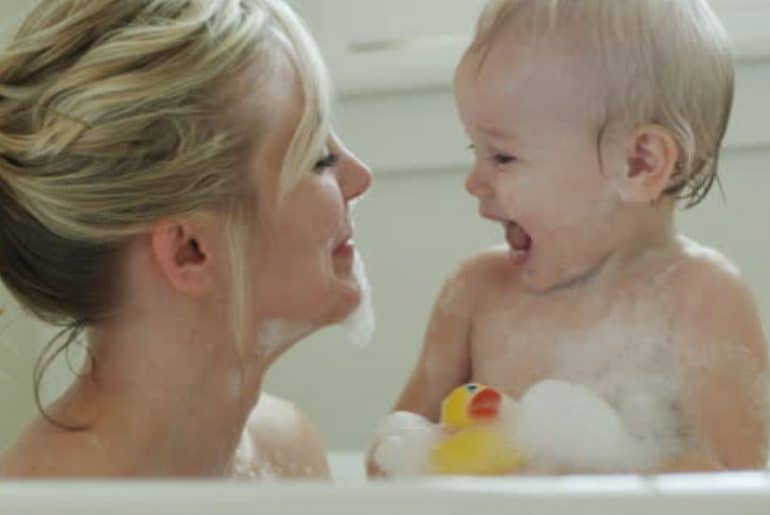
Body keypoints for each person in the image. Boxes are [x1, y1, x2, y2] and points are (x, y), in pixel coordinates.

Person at [372, 0, 768, 475]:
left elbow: (741, 484)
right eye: (474, 151)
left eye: (502, 157)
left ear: (638, 163)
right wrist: (427, 453)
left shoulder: (699, 299)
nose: (473, 182)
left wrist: (584, 469)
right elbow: (387, 465)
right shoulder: (475, 293)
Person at [0, 0, 372, 477]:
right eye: (319, 158)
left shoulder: (286, 449)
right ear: (190, 250)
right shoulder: (53, 502)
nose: (360, 177)